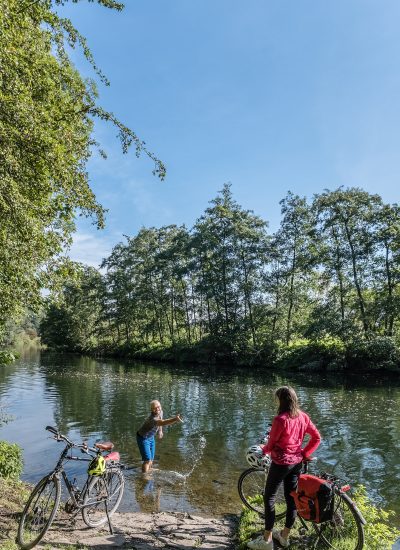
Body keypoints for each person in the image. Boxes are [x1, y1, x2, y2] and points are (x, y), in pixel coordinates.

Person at [248, 386, 321, 550]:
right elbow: (317, 437)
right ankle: (284, 536)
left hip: (281, 463)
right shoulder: (303, 416)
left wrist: (262, 448)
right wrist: (304, 453)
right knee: (291, 499)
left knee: (269, 498)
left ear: (281, 401)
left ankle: (266, 540)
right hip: (296, 463)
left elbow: (271, 444)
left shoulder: (280, 419)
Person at [136, 399, 182, 473]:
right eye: (155, 408)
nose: (157, 409)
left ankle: (148, 470)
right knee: (147, 460)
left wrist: (160, 431)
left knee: (151, 459)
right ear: (152, 410)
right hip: (142, 438)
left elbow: (161, 421)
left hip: (151, 437)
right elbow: (162, 422)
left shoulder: (160, 412)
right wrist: (175, 419)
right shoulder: (153, 419)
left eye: (159, 406)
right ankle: (144, 476)